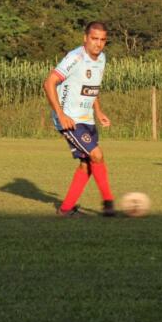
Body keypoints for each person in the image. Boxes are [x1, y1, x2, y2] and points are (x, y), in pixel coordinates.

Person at [43, 21, 116, 217]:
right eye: (94, 39)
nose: (98, 44)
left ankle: (65, 209)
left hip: (88, 119)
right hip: (70, 120)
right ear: (85, 38)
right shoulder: (75, 58)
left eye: (102, 40)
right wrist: (61, 114)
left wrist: (98, 111)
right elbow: (49, 83)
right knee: (97, 155)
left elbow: (92, 87)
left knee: (87, 164)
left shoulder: (102, 59)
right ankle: (108, 203)